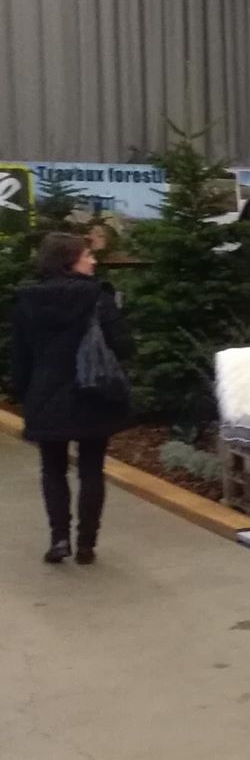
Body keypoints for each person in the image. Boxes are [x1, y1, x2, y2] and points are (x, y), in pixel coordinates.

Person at [10, 232, 131, 564]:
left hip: (45, 394)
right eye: (87, 255)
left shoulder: (26, 301)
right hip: (93, 392)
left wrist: (26, 394)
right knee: (91, 469)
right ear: (69, 261)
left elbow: (19, 357)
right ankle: (87, 545)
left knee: (52, 469)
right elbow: (123, 346)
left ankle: (59, 538)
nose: (93, 260)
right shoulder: (98, 297)